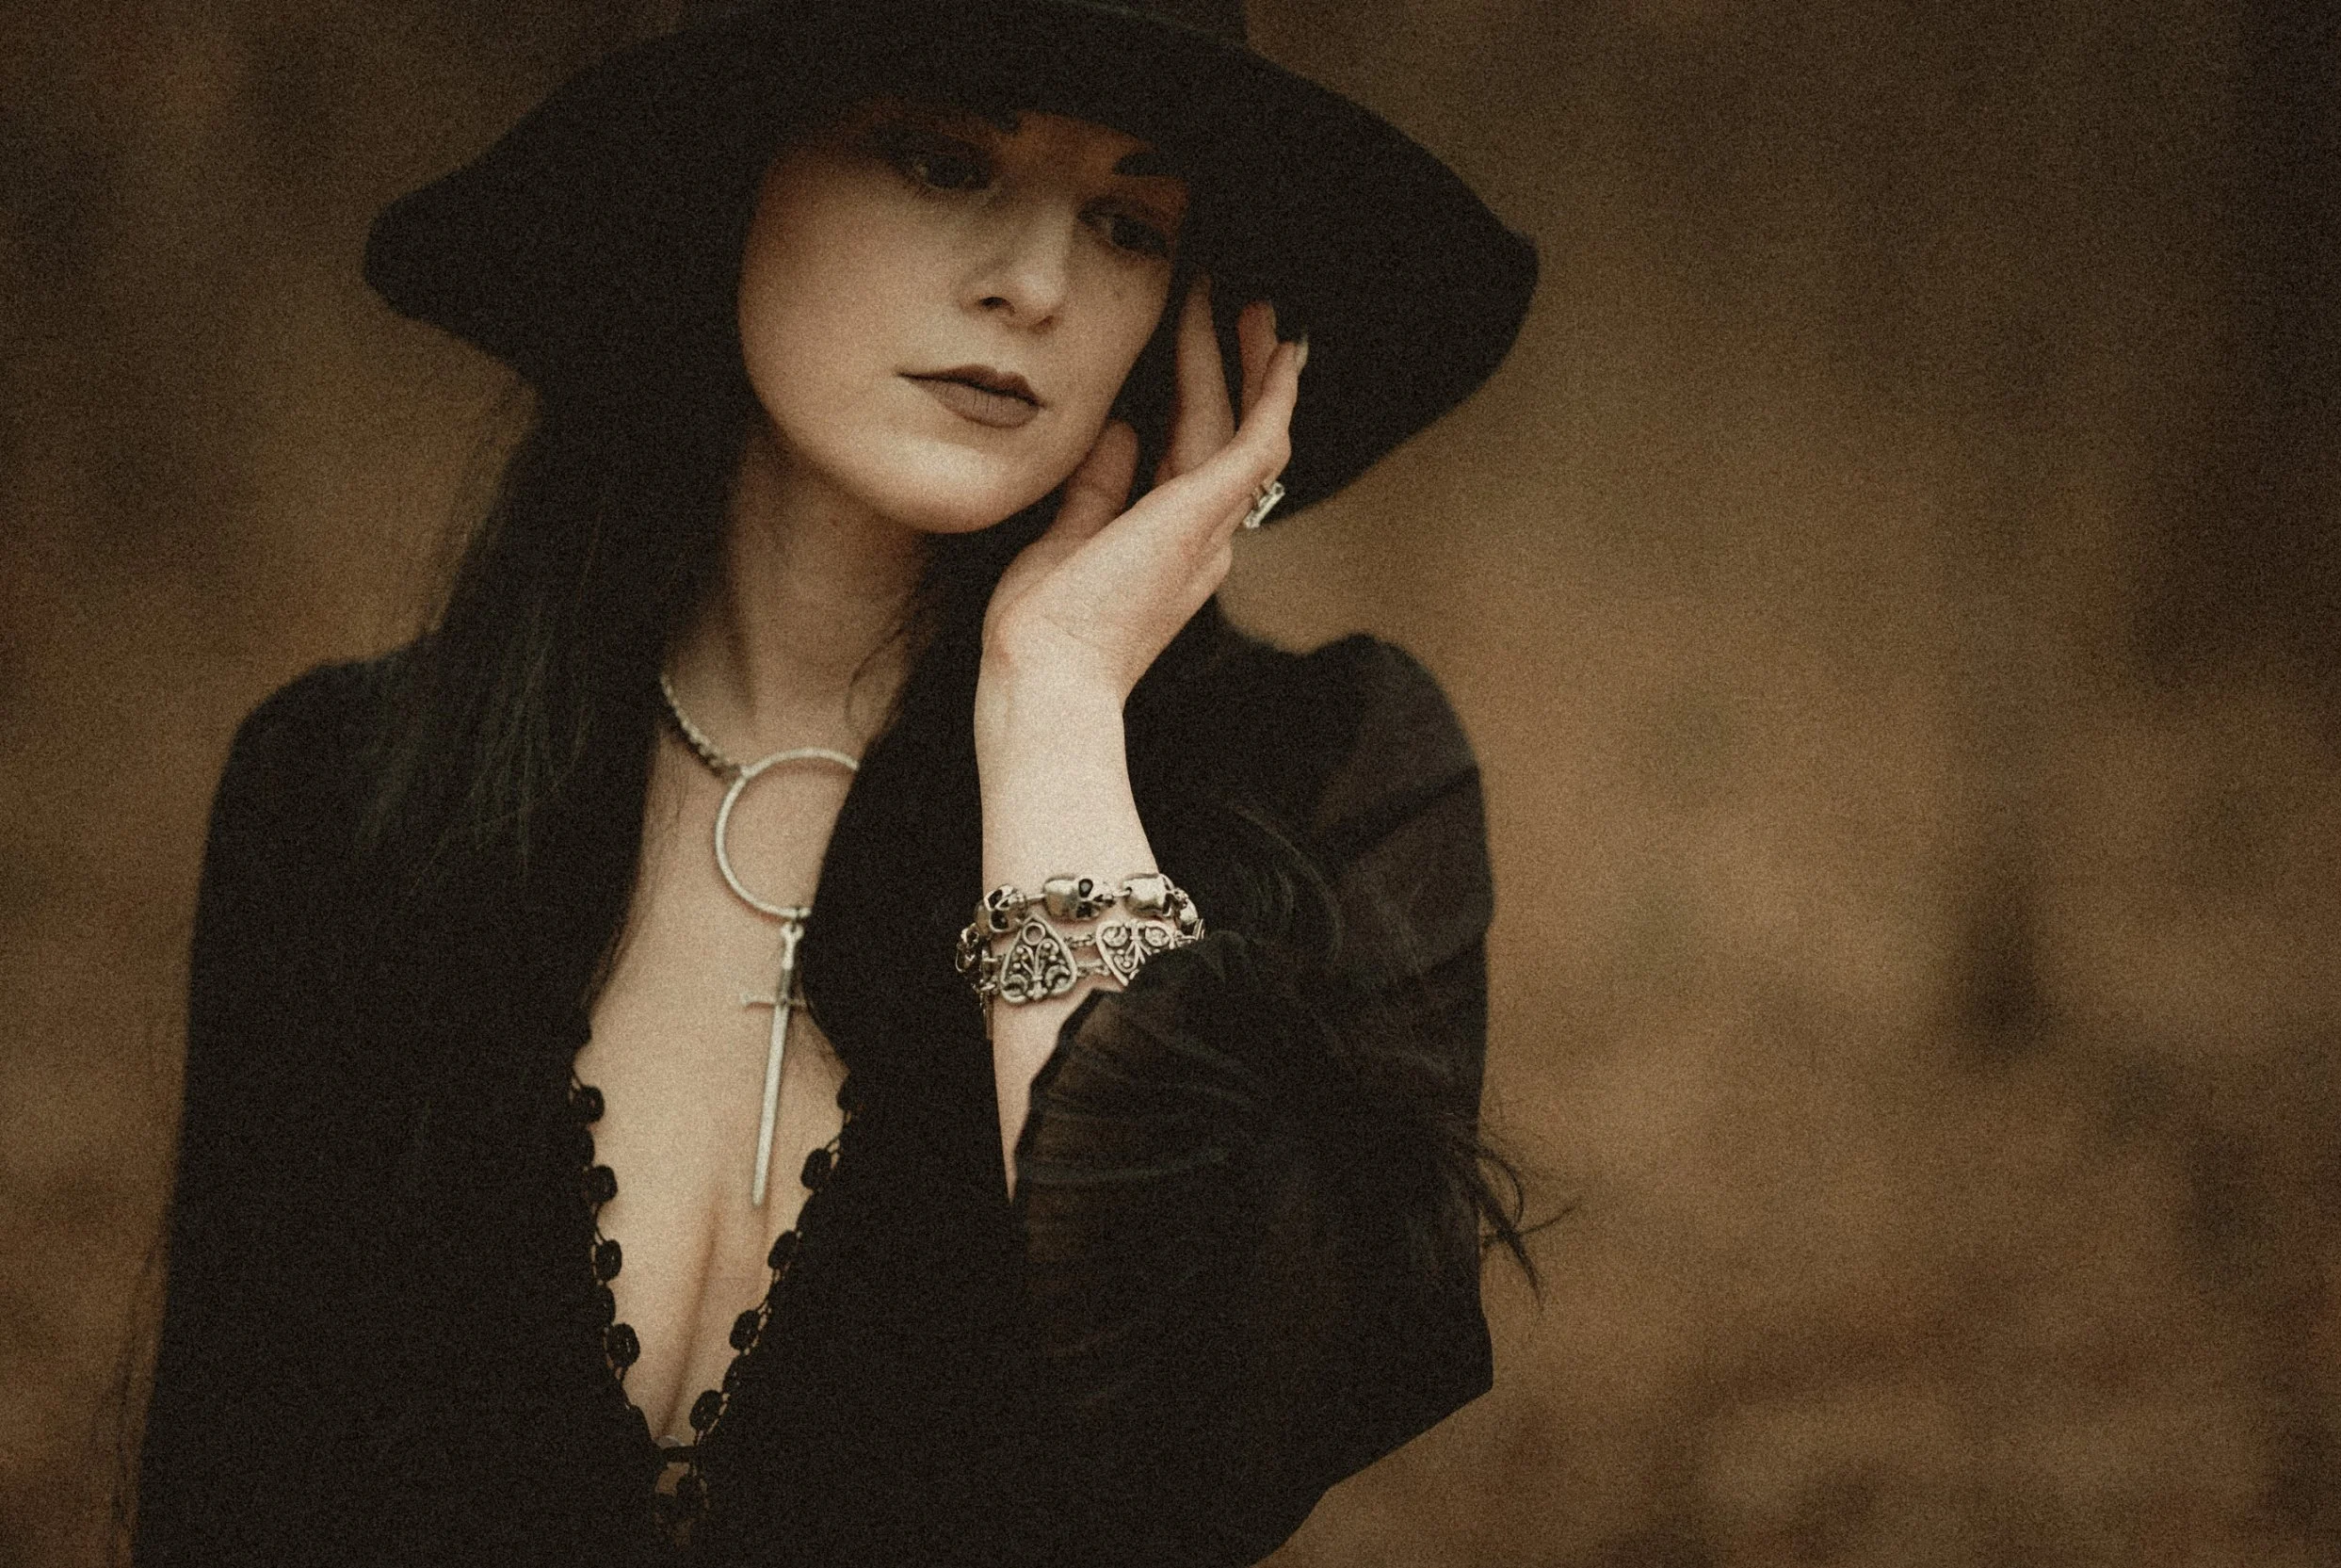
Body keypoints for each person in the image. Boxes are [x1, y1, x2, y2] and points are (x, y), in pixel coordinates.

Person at [133, 0, 1540, 1563]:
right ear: (728, 177)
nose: (1041, 284)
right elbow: (232, 1495)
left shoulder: (1312, 789)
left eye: (1129, 222)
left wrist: (1057, 709)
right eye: (941, 159)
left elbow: (1200, 1451)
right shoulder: (344, 796)